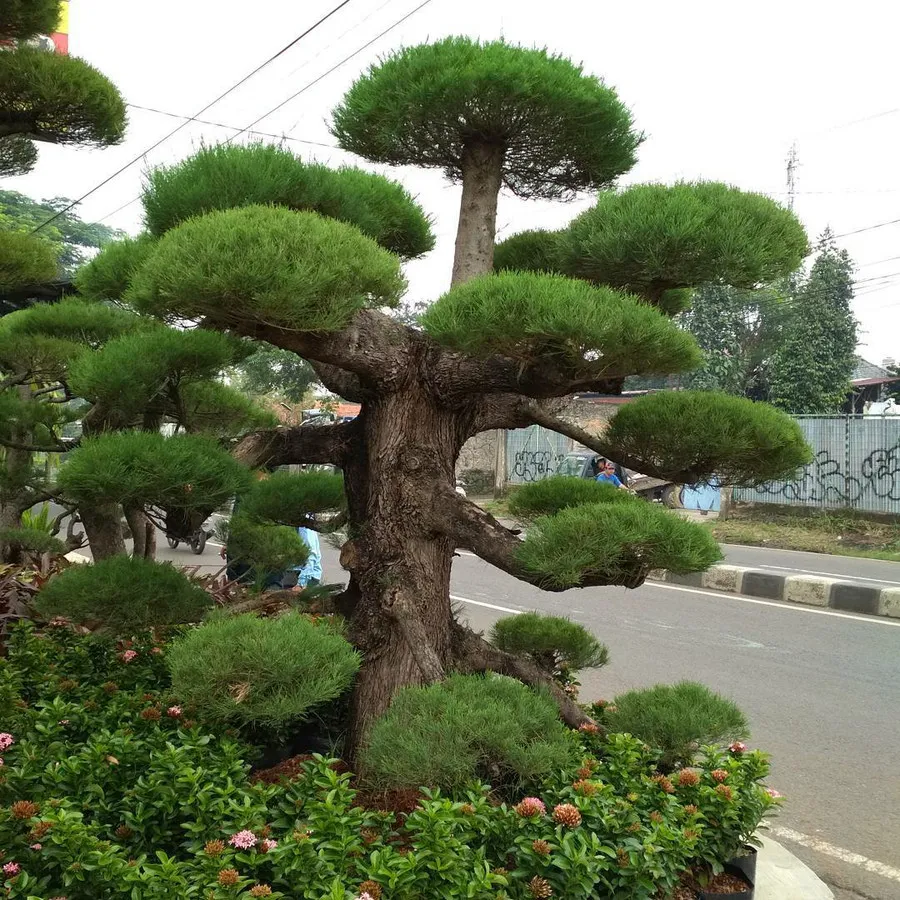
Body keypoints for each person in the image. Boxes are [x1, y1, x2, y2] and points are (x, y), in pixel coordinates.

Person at [292, 525, 323, 590]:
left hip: (303, 576)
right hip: (291, 573)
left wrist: (301, 584)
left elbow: (310, 553)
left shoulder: (304, 527)